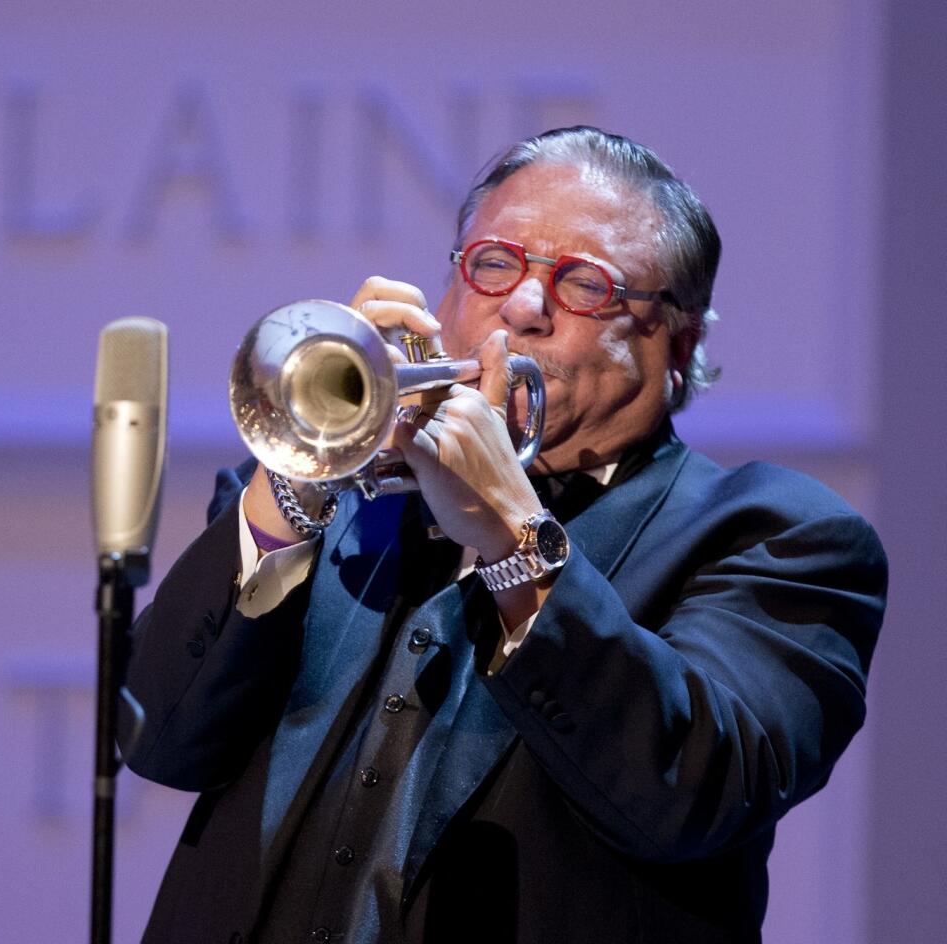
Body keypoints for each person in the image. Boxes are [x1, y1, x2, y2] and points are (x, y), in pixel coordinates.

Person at [119, 126, 886, 944]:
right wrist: (302, 472)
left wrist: (512, 534)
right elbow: (157, 738)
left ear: (679, 344)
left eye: (586, 285)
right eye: (493, 263)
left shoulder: (779, 536)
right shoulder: (326, 498)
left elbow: (691, 795)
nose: (522, 308)